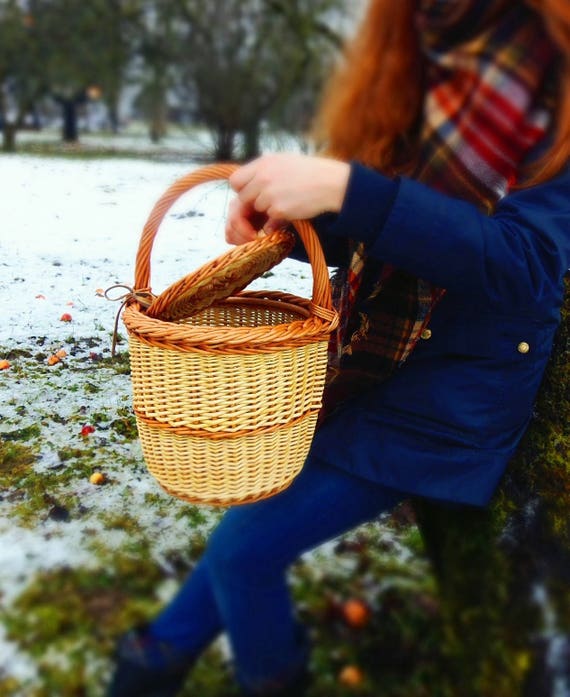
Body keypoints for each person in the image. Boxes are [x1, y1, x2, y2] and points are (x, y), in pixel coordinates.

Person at [107, 1, 570, 695]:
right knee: (247, 536)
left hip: (444, 401)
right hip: (368, 359)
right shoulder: (426, 49)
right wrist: (303, 218)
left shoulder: (551, 71)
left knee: (243, 552)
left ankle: (162, 670)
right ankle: (150, 665)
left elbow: (526, 265)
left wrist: (348, 189)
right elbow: (394, 234)